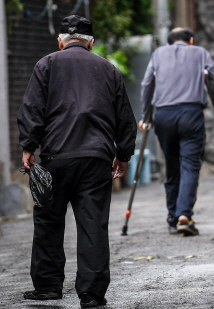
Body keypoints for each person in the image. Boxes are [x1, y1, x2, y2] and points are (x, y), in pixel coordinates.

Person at [17, 15, 137, 308]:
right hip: (96, 159)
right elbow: (125, 118)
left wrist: (29, 145)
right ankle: (92, 294)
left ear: (60, 41)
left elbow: (32, 108)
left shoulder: (46, 64)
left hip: (55, 157)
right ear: (91, 43)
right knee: (93, 224)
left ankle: (47, 286)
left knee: (48, 219)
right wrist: (123, 155)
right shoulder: (108, 70)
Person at [140, 27, 214, 236]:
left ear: (169, 43)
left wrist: (146, 117)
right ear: (191, 41)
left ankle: (172, 219)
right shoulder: (200, 53)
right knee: (189, 164)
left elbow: (147, 84)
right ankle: (184, 216)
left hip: (164, 115)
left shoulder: (158, 54)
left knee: (171, 165)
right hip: (191, 114)